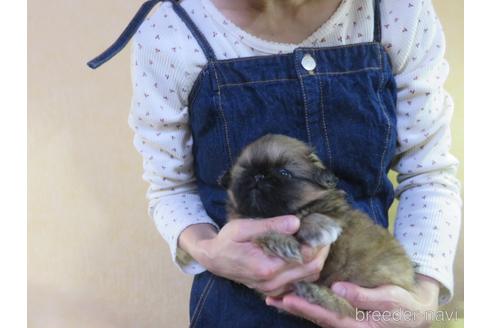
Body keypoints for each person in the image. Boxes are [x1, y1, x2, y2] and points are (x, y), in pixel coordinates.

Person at [87, 0, 462, 326]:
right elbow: (170, 188)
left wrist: (421, 299)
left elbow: (428, 172)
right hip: (237, 310)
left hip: (368, 292)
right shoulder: (170, 33)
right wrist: (208, 251)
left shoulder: (398, 10)